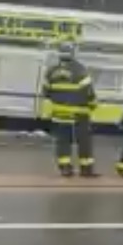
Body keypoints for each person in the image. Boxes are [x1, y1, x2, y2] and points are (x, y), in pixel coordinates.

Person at [43, 42, 98, 177]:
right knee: (83, 141)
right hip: (80, 113)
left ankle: (65, 168)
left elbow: (46, 92)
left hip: (59, 113)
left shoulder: (51, 71)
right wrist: (93, 105)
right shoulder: (80, 70)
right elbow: (88, 92)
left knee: (62, 141)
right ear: (73, 53)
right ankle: (86, 169)